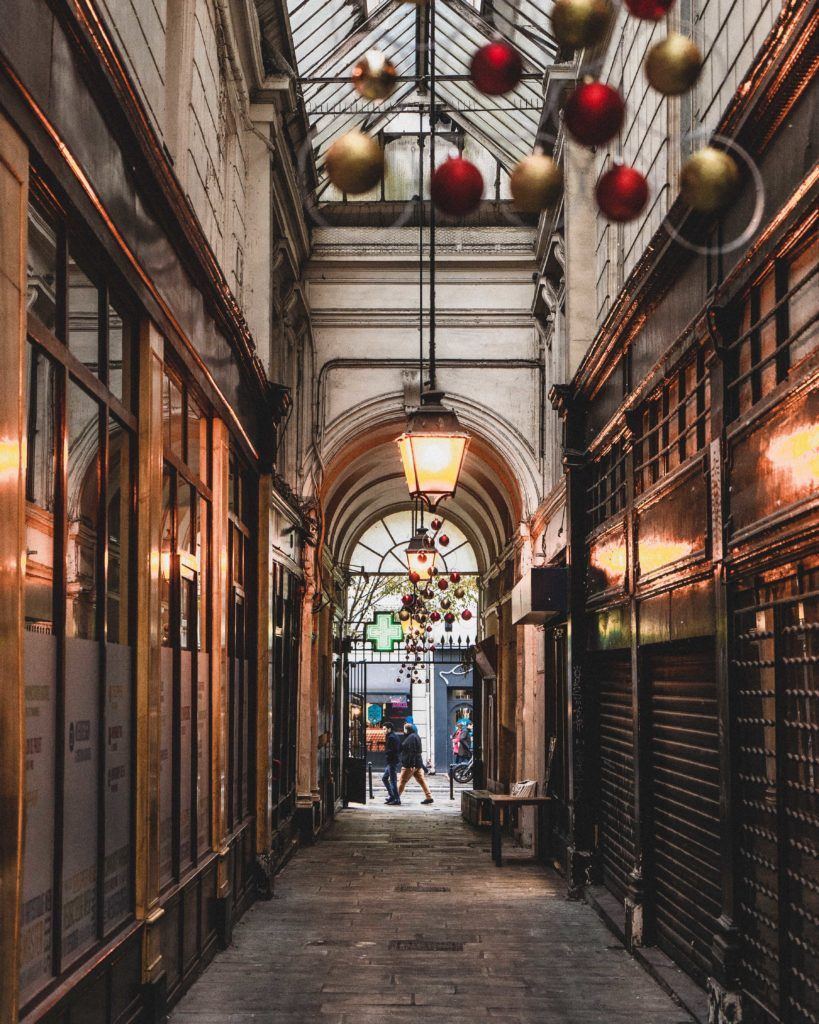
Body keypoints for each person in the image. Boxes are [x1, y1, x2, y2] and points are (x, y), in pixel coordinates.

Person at [398, 722, 434, 804]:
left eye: (404, 729)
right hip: (418, 764)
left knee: (402, 781)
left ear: (407, 730)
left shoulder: (411, 738)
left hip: (410, 765)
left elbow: (412, 752)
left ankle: (396, 797)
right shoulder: (415, 736)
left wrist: (412, 764)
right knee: (422, 780)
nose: (403, 731)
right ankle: (429, 797)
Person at [382, 722, 401, 805]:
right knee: (384, 778)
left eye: (384, 729)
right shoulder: (393, 736)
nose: (383, 731)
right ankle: (392, 796)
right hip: (391, 761)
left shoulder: (391, 737)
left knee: (393, 781)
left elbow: (393, 750)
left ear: (389, 729)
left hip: (392, 762)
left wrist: (388, 755)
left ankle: (397, 799)